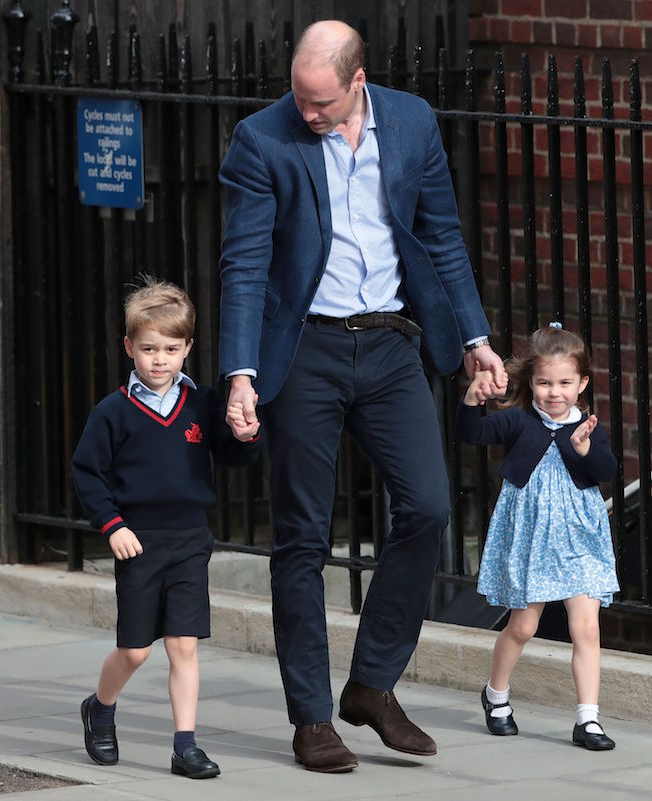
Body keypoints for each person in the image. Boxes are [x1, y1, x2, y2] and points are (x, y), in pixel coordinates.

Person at [218, 19, 507, 772]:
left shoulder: (410, 121)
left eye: (319, 102)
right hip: (303, 349)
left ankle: (372, 683)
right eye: (297, 97)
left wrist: (475, 338)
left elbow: (441, 235)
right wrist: (240, 372)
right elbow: (244, 264)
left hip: (388, 342)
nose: (305, 113)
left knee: (429, 506)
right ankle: (312, 717)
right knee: (303, 539)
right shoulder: (262, 139)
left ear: (357, 79)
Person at [71, 278, 261, 780]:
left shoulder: (202, 403)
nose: (160, 359)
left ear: (188, 349)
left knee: (184, 645)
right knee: (135, 649)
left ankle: (185, 745)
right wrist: (111, 526)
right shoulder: (112, 413)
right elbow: (86, 474)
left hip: (190, 540)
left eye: (172, 349)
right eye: (149, 348)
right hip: (137, 542)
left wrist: (246, 435)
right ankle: (101, 707)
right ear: (129, 346)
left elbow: (235, 454)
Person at [457, 323, 620, 751]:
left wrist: (585, 451)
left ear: (582, 383)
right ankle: (496, 697)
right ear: (531, 381)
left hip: (579, 540)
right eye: (545, 382)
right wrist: (471, 402)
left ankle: (588, 720)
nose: (554, 392)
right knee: (524, 626)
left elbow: (606, 471)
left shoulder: (586, 426)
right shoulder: (517, 421)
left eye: (565, 382)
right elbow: (472, 435)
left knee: (586, 628)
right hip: (532, 539)